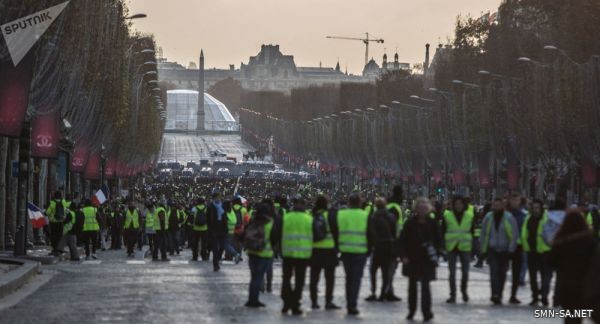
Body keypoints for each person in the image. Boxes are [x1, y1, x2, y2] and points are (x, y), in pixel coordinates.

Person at [398, 197, 441, 322]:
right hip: (412, 259)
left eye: (424, 207)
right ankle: (411, 310)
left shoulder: (433, 223)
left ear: (427, 209)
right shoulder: (410, 223)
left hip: (427, 259)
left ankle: (426, 312)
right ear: (416, 209)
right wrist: (403, 256)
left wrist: (436, 253)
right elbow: (402, 241)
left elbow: (438, 240)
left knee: (426, 286)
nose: (422, 210)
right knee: (412, 287)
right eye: (419, 207)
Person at [550, 210, 597, 324]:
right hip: (583, 285)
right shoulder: (589, 240)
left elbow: (551, 262)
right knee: (578, 315)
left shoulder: (560, 240)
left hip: (565, 285)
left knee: (569, 316)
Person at [333, 193, 370, 316]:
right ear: (359, 203)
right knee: (356, 279)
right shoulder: (365, 215)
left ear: (348, 202)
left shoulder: (341, 214)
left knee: (349, 278)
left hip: (345, 251)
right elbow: (370, 234)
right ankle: (352, 303)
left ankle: (350, 301)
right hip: (360, 252)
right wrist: (369, 250)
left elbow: (336, 231)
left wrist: (337, 248)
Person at [277, 197, 313, 315]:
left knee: (286, 279)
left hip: (287, 253)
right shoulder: (309, 219)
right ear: (304, 205)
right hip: (303, 255)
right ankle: (295, 303)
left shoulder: (286, 218)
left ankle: (286, 302)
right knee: (299, 281)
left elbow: (277, 233)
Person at [480, 198, 519, 305]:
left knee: (502, 273)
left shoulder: (509, 217)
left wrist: (511, 249)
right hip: (492, 250)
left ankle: (499, 293)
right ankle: (494, 294)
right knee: (493, 273)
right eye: (494, 205)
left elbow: (514, 235)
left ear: (502, 206)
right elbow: (483, 233)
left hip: (505, 250)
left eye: (498, 205)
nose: (496, 208)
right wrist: (483, 249)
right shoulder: (488, 217)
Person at [244, 203, 279, 308]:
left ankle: (252, 298)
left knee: (254, 277)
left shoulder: (253, 221)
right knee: (258, 277)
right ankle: (253, 300)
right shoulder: (270, 223)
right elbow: (274, 239)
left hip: (252, 252)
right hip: (264, 254)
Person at [309, 195, 340, 310]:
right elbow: (336, 232)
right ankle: (328, 301)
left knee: (314, 278)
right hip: (329, 251)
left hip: (315, 250)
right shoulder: (330, 215)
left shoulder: (313, 215)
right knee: (330, 279)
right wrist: (337, 248)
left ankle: (314, 302)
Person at [442, 195, 474, 303]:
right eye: (456, 204)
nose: (458, 206)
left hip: (465, 247)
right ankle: (453, 294)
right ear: (453, 205)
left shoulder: (469, 216)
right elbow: (443, 231)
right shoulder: (447, 216)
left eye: (460, 204)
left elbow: (472, 231)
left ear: (464, 205)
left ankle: (464, 291)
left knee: (465, 272)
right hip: (452, 246)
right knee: (452, 273)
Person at [521, 199, 552, 306]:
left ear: (541, 208)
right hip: (531, 251)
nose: (535, 210)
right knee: (532, 277)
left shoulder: (546, 219)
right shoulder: (528, 218)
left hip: (544, 252)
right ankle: (535, 296)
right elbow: (524, 232)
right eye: (533, 208)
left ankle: (544, 296)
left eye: (537, 208)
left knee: (544, 276)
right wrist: (526, 246)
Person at [365, 197, 396, 302]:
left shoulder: (373, 217)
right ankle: (383, 293)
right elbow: (394, 233)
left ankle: (373, 292)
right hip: (388, 246)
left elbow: (370, 233)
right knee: (385, 272)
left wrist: (370, 247)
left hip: (377, 247)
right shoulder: (391, 217)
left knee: (373, 271)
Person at [385, 185, 405, 302]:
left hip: (391, 241)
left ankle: (388, 290)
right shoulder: (394, 207)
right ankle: (388, 291)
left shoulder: (391, 205)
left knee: (390, 268)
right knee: (390, 268)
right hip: (392, 242)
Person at [507, 193, 526, 304]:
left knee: (516, 272)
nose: (515, 202)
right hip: (505, 245)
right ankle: (497, 293)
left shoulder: (524, 215)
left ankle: (513, 295)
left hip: (519, 246)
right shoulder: (505, 214)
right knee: (500, 271)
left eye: (517, 200)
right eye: (513, 200)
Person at [46, 191, 68, 256]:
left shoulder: (52, 203)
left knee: (53, 236)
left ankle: (55, 249)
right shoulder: (64, 202)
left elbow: (48, 212)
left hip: (53, 222)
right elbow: (66, 211)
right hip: (61, 222)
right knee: (60, 236)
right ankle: (60, 249)